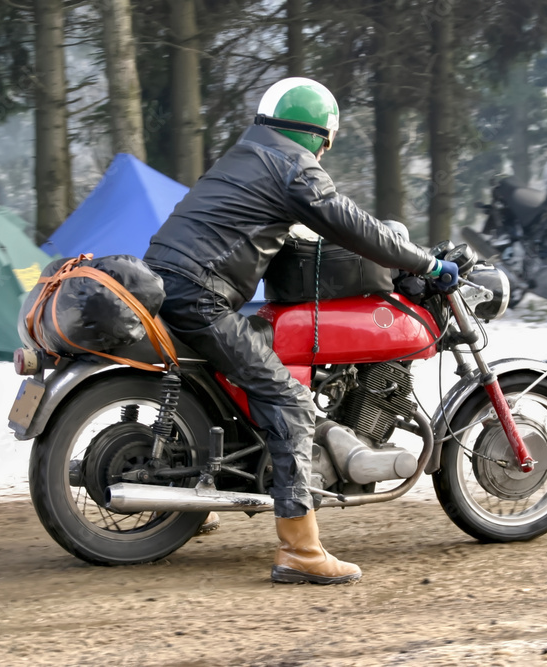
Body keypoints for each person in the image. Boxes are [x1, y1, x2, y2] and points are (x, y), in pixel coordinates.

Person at [144, 77, 459, 585]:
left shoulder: (248, 154)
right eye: (327, 143)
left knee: (243, 382)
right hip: (200, 295)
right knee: (289, 400)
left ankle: (195, 503)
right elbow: (353, 226)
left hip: (169, 284)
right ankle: (302, 551)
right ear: (318, 134)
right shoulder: (293, 166)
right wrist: (427, 263)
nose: (325, 153)